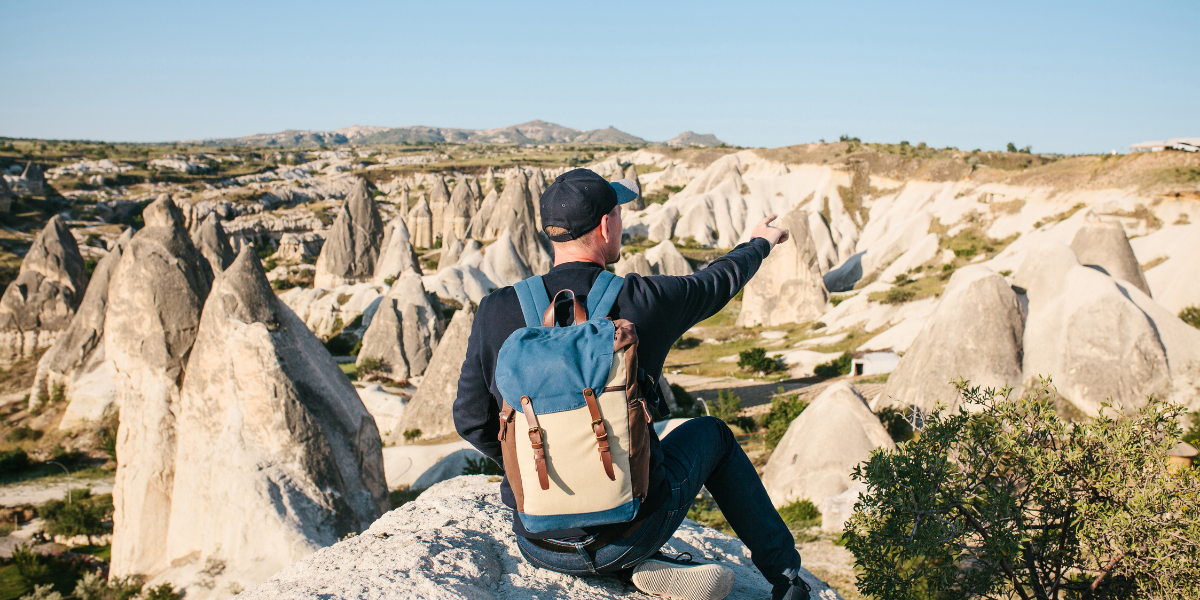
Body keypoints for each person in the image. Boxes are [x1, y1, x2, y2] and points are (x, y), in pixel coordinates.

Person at [454, 168, 810, 600]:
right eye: (619, 214)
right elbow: (717, 283)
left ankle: (630, 568)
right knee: (712, 434)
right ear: (606, 225)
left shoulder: (495, 308)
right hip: (633, 530)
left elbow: (471, 420)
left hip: (541, 542)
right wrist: (760, 242)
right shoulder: (644, 299)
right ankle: (786, 579)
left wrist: (535, 463)